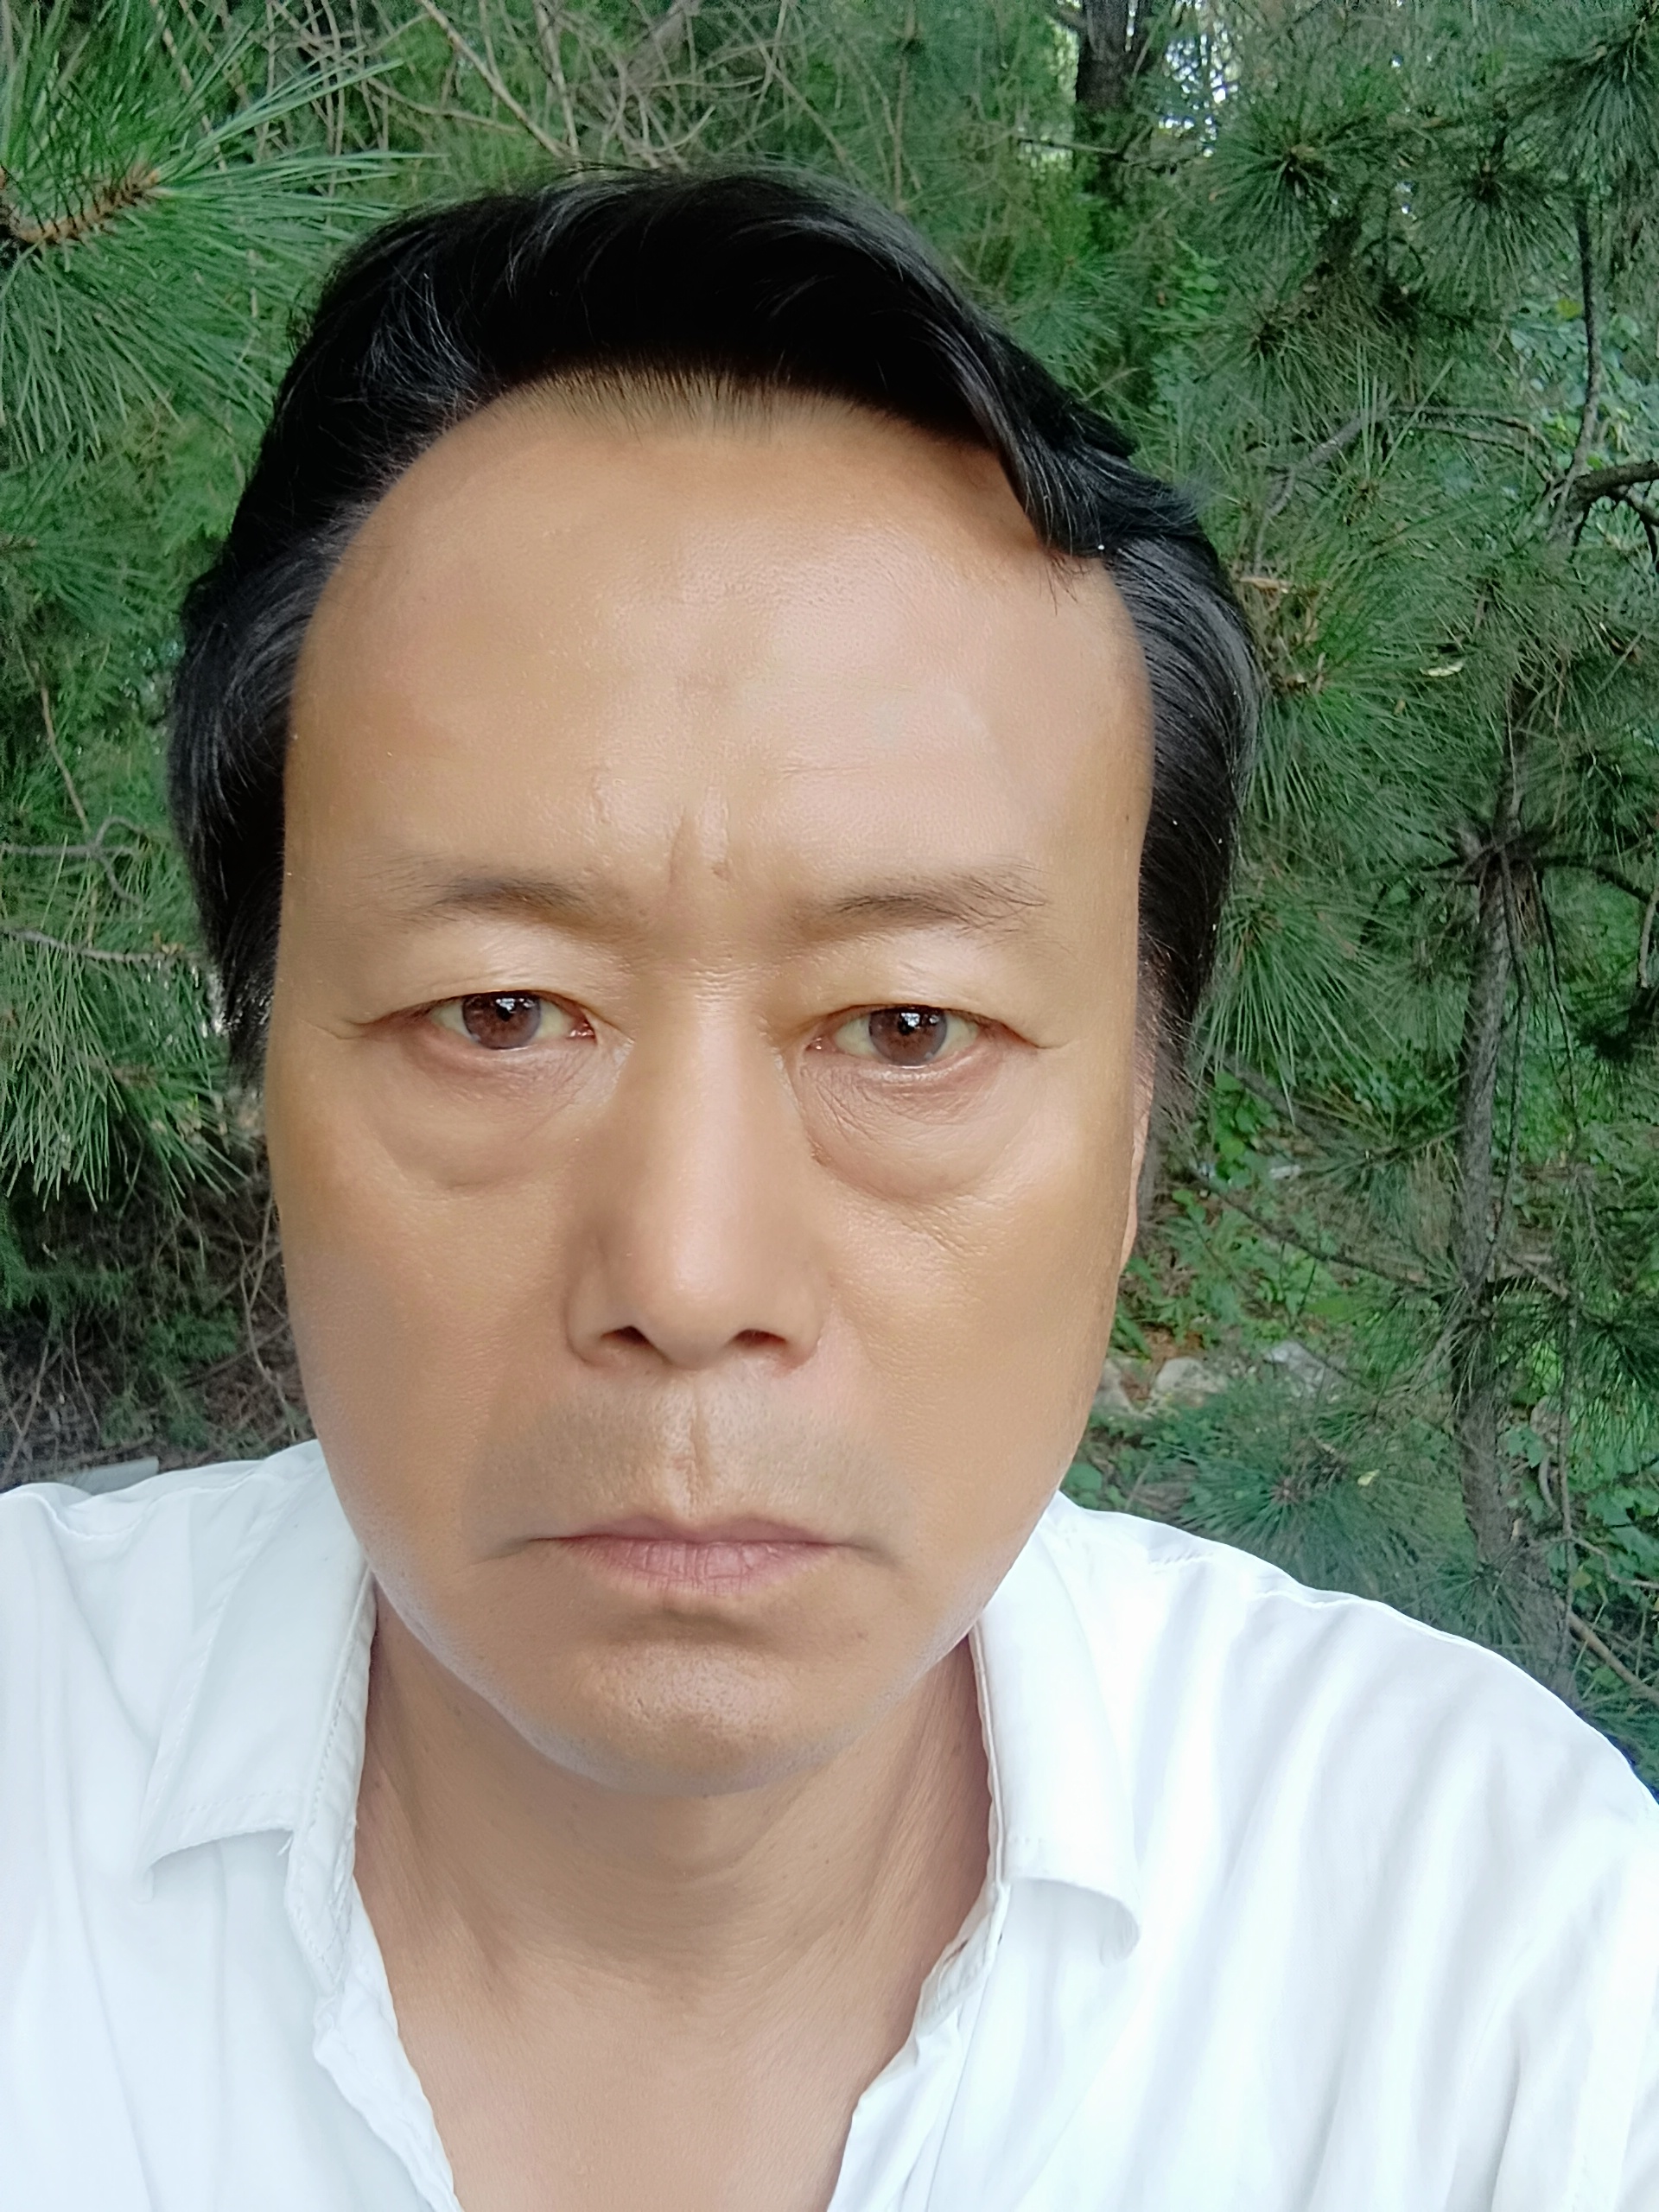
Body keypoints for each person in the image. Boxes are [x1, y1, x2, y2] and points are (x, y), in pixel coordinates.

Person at [1, 169, 1654, 2212]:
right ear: (258, 1055)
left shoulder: (1500, 1982)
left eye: (906, 1026)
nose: (691, 1273)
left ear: (1141, 1120)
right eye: (501, 1010)